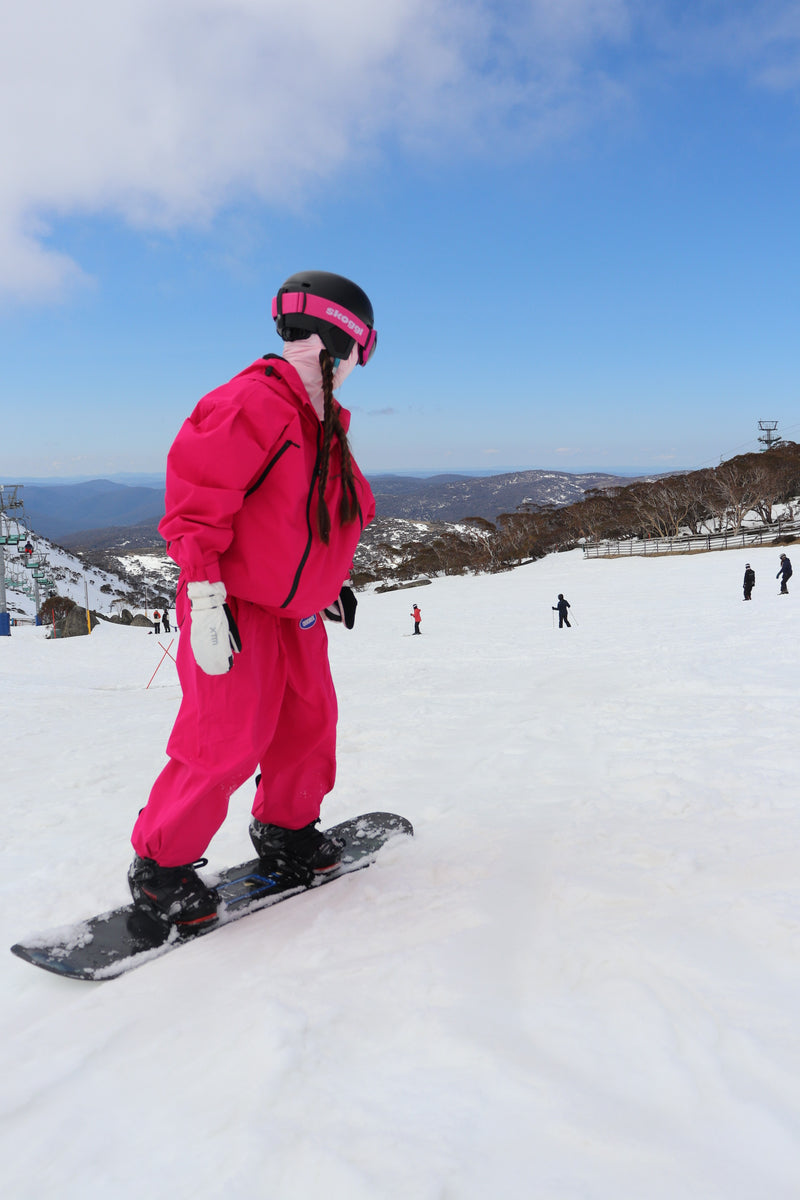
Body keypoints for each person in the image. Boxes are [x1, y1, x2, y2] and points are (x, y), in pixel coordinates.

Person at [127, 270, 378, 928]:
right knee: (226, 738)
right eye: (359, 353)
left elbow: (309, 517)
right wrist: (206, 599)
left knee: (307, 724)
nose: (358, 368)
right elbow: (193, 509)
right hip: (234, 606)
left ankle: (286, 831)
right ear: (333, 342)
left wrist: (329, 582)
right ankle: (161, 869)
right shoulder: (251, 405)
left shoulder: (320, 418)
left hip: (294, 611)